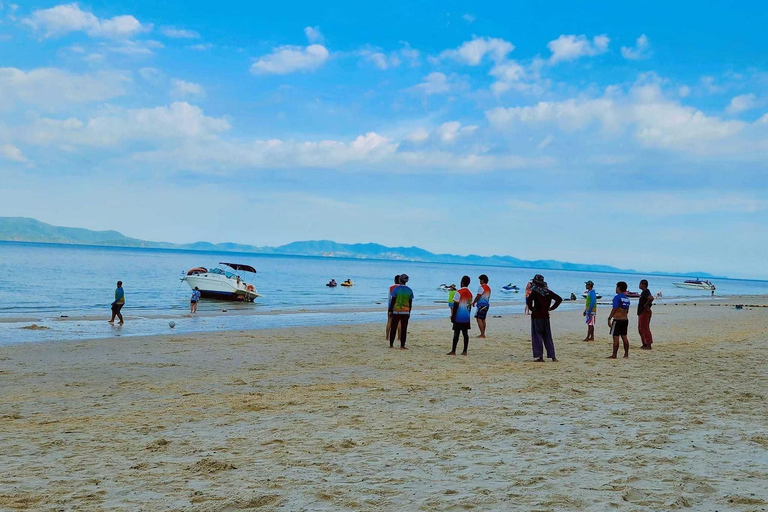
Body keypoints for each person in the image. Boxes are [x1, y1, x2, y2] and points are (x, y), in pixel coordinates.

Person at [525, 274, 562, 362]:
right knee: (547, 336)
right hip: (545, 316)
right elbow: (559, 299)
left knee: (537, 336)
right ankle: (552, 356)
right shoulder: (548, 292)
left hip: (537, 316)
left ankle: (540, 356)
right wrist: (551, 308)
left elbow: (529, 302)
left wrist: (532, 309)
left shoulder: (535, 291)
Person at [448, 275, 473, 355]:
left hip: (458, 316)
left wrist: (453, 316)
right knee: (465, 334)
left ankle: (453, 350)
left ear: (461, 282)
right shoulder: (470, 293)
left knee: (456, 333)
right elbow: (469, 306)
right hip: (466, 316)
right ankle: (465, 351)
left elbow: (455, 305)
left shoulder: (459, 292)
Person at [388, 274, 413, 349]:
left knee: (393, 328)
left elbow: (393, 301)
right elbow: (410, 303)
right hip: (406, 311)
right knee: (404, 328)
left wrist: (390, 310)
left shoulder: (396, 289)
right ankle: (402, 345)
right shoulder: (409, 290)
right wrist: (409, 312)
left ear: (399, 280)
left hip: (397, 311)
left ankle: (391, 345)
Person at [608, 281, 631, 358]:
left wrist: (610, 318)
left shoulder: (617, 298)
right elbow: (627, 310)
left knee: (616, 337)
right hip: (625, 319)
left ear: (618, 288)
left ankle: (614, 354)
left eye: (616, 287)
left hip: (617, 320)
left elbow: (614, 308)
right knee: (624, 337)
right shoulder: (627, 299)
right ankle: (626, 354)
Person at [472, 274, 491, 339]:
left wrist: (474, 302)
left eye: (480, 280)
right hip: (486, 304)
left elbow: (478, 295)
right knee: (483, 319)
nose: (480, 281)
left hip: (481, 304)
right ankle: (483, 333)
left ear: (483, 280)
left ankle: (482, 334)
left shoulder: (481, 287)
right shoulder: (488, 288)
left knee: (478, 318)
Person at [637, 279, 654, 350]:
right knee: (641, 328)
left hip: (644, 312)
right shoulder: (643, 292)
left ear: (643, 285)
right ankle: (644, 343)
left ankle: (648, 344)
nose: (639, 285)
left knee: (645, 328)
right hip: (641, 312)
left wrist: (646, 305)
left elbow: (651, 298)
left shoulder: (646, 291)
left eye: (640, 284)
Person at [385, 275, 401, 341]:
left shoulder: (391, 288)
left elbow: (389, 299)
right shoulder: (402, 288)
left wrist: (389, 308)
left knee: (389, 321)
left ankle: (387, 337)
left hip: (392, 306)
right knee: (399, 322)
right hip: (399, 307)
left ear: (394, 280)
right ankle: (399, 337)